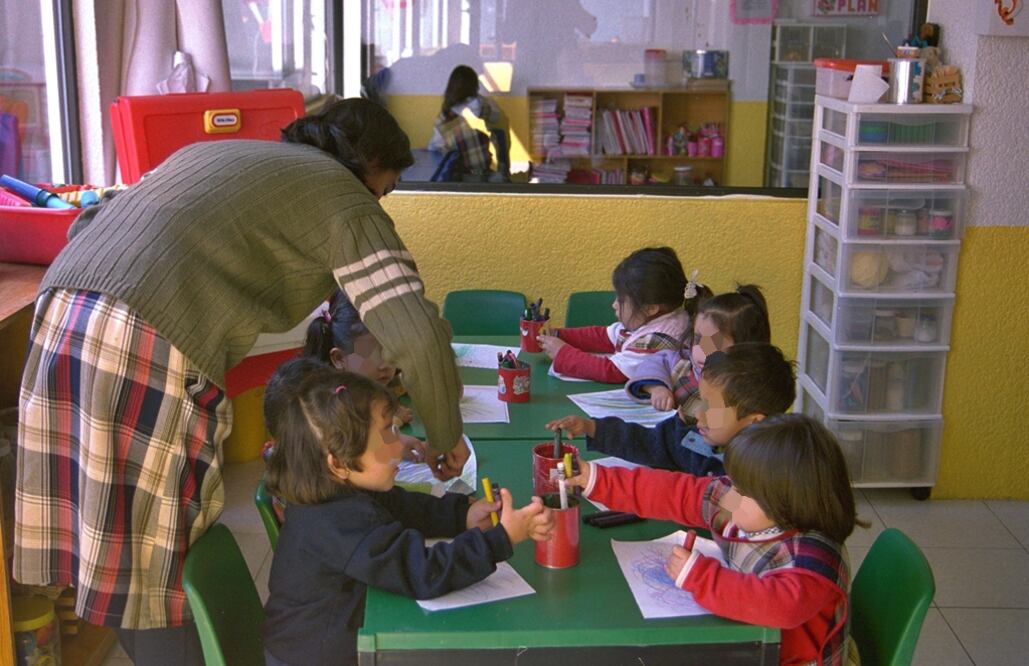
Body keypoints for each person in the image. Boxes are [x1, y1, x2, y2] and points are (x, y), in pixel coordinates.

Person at [14, 98, 469, 663]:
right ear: (371, 165)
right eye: (386, 188)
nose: (381, 202)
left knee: (111, 543)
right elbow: (418, 335)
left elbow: (90, 220)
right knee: (157, 558)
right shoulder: (344, 197)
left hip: (62, 309)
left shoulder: (223, 157)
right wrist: (447, 436)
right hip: (142, 332)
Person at [262, 370, 553, 666]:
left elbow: (403, 506)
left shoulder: (340, 489)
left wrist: (463, 515)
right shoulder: (338, 522)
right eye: (386, 434)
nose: (399, 444)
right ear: (339, 463)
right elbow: (422, 572)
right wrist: (501, 539)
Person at [568, 414, 865, 665]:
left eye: (741, 490)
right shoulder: (747, 506)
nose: (728, 493)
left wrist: (701, 577)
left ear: (786, 503)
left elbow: (780, 606)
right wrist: (596, 479)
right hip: (755, 647)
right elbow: (676, 493)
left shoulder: (812, 557)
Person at [548, 343, 795, 477]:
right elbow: (649, 442)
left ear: (754, 421)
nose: (698, 414)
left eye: (711, 407)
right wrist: (592, 427)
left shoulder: (766, 477)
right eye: (701, 401)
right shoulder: (695, 437)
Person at [536, 246, 693, 383]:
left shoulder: (659, 340)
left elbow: (612, 371)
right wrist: (558, 335)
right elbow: (603, 336)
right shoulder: (653, 318)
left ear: (650, 308)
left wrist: (562, 353)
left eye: (621, 300)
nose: (614, 304)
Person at [302, 290, 426, 462]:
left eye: (392, 351)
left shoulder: (366, 386)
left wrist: (395, 441)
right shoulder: (330, 402)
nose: (385, 365)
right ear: (339, 358)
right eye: (371, 354)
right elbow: (352, 450)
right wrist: (394, 426)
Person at [627, 280, 771, 414]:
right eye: (697, 339)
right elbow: (652, 363)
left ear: (747, 350)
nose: (699, 350)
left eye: (713, 344)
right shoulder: (683, 363)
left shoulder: (749, 393)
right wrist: (656, 388)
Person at [428, 64, 511, 182]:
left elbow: (434, 146)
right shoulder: (485, 105)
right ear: (475, 86)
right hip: (485, 174)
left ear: (451, 88)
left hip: (461, 179)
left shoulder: (443, 118)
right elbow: (500, 129)